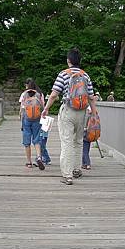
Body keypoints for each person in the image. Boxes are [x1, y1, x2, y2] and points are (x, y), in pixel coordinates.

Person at [41, 48, 97, 185]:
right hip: (82, 112)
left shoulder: (64, 74)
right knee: (78, 141)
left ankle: (67, 175)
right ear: (80, 61)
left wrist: (46, 109)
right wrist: (94, 113)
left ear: (68, 60)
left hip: (68, 110)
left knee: (67, 142)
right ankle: (76, 169)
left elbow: (54, 94)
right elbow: (91, 97)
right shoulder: (85, 75)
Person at [19, 78, 45, 170]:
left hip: (26, 119)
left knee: (27, 141)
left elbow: (22, 109)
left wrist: (21, 121)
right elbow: (43, 107)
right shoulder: (39, 94)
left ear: (27, 85)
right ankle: (39, 157)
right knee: (37, 139)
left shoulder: (24, 94)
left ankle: (29, 162)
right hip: (37, 119)